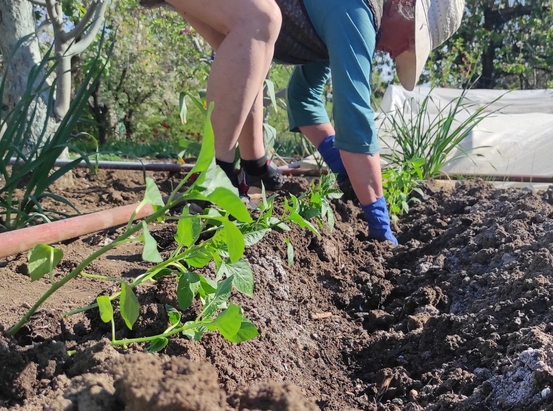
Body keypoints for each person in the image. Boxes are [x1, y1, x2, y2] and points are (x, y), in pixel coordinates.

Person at [140, 0, 464, 244]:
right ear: (403, 4)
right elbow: (355, 118)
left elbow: (304, 98)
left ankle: (253, 165)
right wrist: (378, 219)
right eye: (411, 41)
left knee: (247, 52)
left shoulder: (342, 19)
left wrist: (340, 163)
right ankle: (215, 177)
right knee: (260, 20)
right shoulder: (357, 11)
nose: (398, 53)